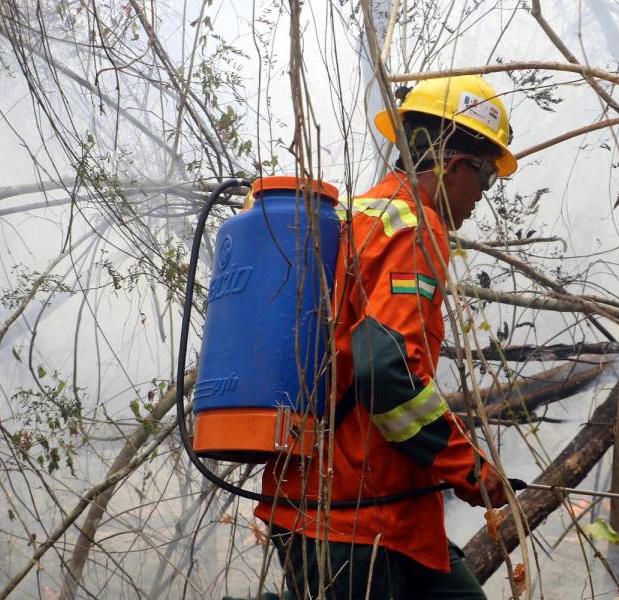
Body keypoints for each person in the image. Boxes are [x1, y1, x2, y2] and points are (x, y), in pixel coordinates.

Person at [253, 75, 518, 600]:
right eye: (485, 175)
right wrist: (469, 469)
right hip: (347, 516)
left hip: (389, 513)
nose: (481, 195)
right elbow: (384, 370)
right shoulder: (414, 228)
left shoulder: (365, 214)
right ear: (451, 162)